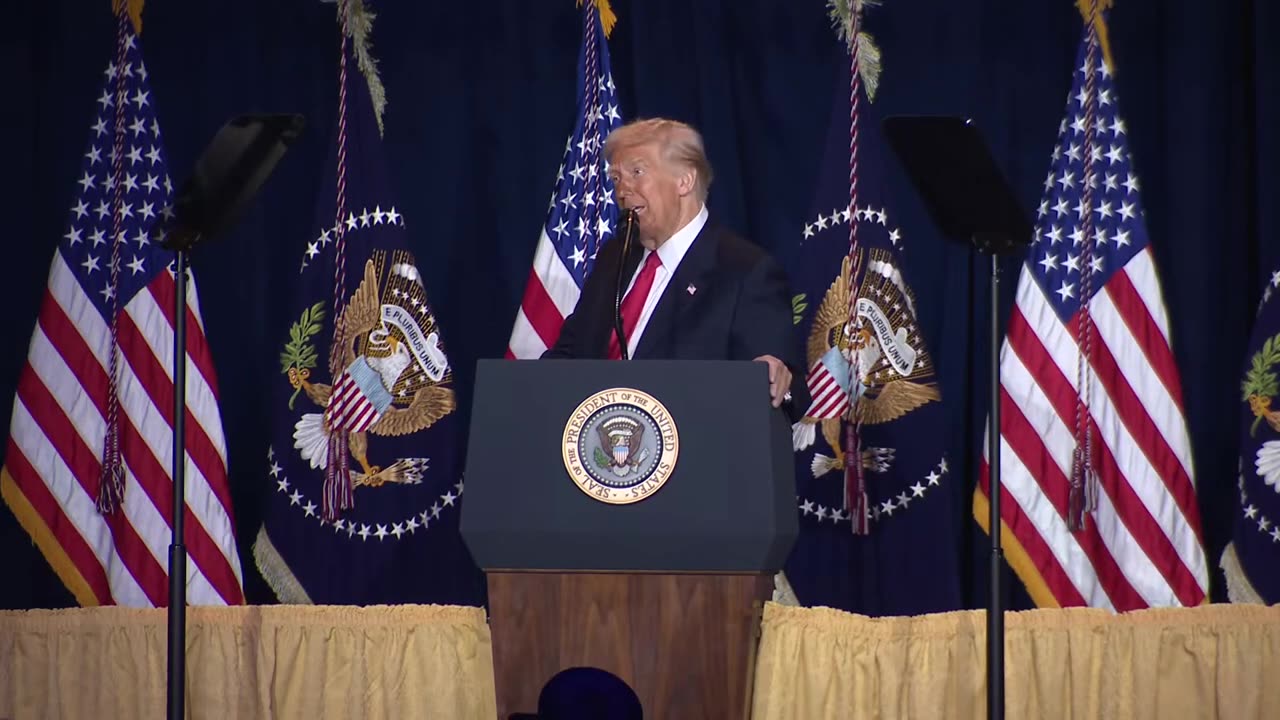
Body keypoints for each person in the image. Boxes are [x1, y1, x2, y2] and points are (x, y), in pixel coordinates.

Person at [543, 118, 808, 419]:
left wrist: (776, 379)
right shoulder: (613, 258)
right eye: (616, 178)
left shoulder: (745, 270)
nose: (622, 190)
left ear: (685, 180)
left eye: (637, 172)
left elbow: (790, 389)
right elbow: (570, 355)